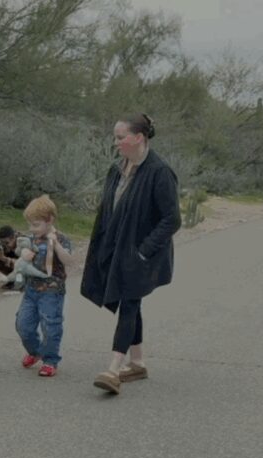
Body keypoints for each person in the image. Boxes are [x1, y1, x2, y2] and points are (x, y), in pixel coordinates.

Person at [80, 113, 180, 396]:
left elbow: (171, 220)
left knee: (129, 303)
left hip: (141, 255)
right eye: (115, 137)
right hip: (118, 249)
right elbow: (109, 210)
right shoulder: (117, 169)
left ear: (139, 138)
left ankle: (113, 368)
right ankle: (137, 362)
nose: (116, 142)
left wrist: (143, 252)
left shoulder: (159, 172)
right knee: (129, 300)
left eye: (120, 137)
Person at [15, 195, 75, 378]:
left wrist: (55, 244)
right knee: (23, 324)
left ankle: (50, 360)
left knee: (51, 324)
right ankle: (35, 351)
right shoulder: (32, 238)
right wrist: (22, 252)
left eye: (36, 224)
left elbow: (69, 260)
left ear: (50, 221)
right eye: (30, 225)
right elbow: (21, 253)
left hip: (52, 292)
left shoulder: (61, 239)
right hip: (31, 290)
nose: (32, 229)